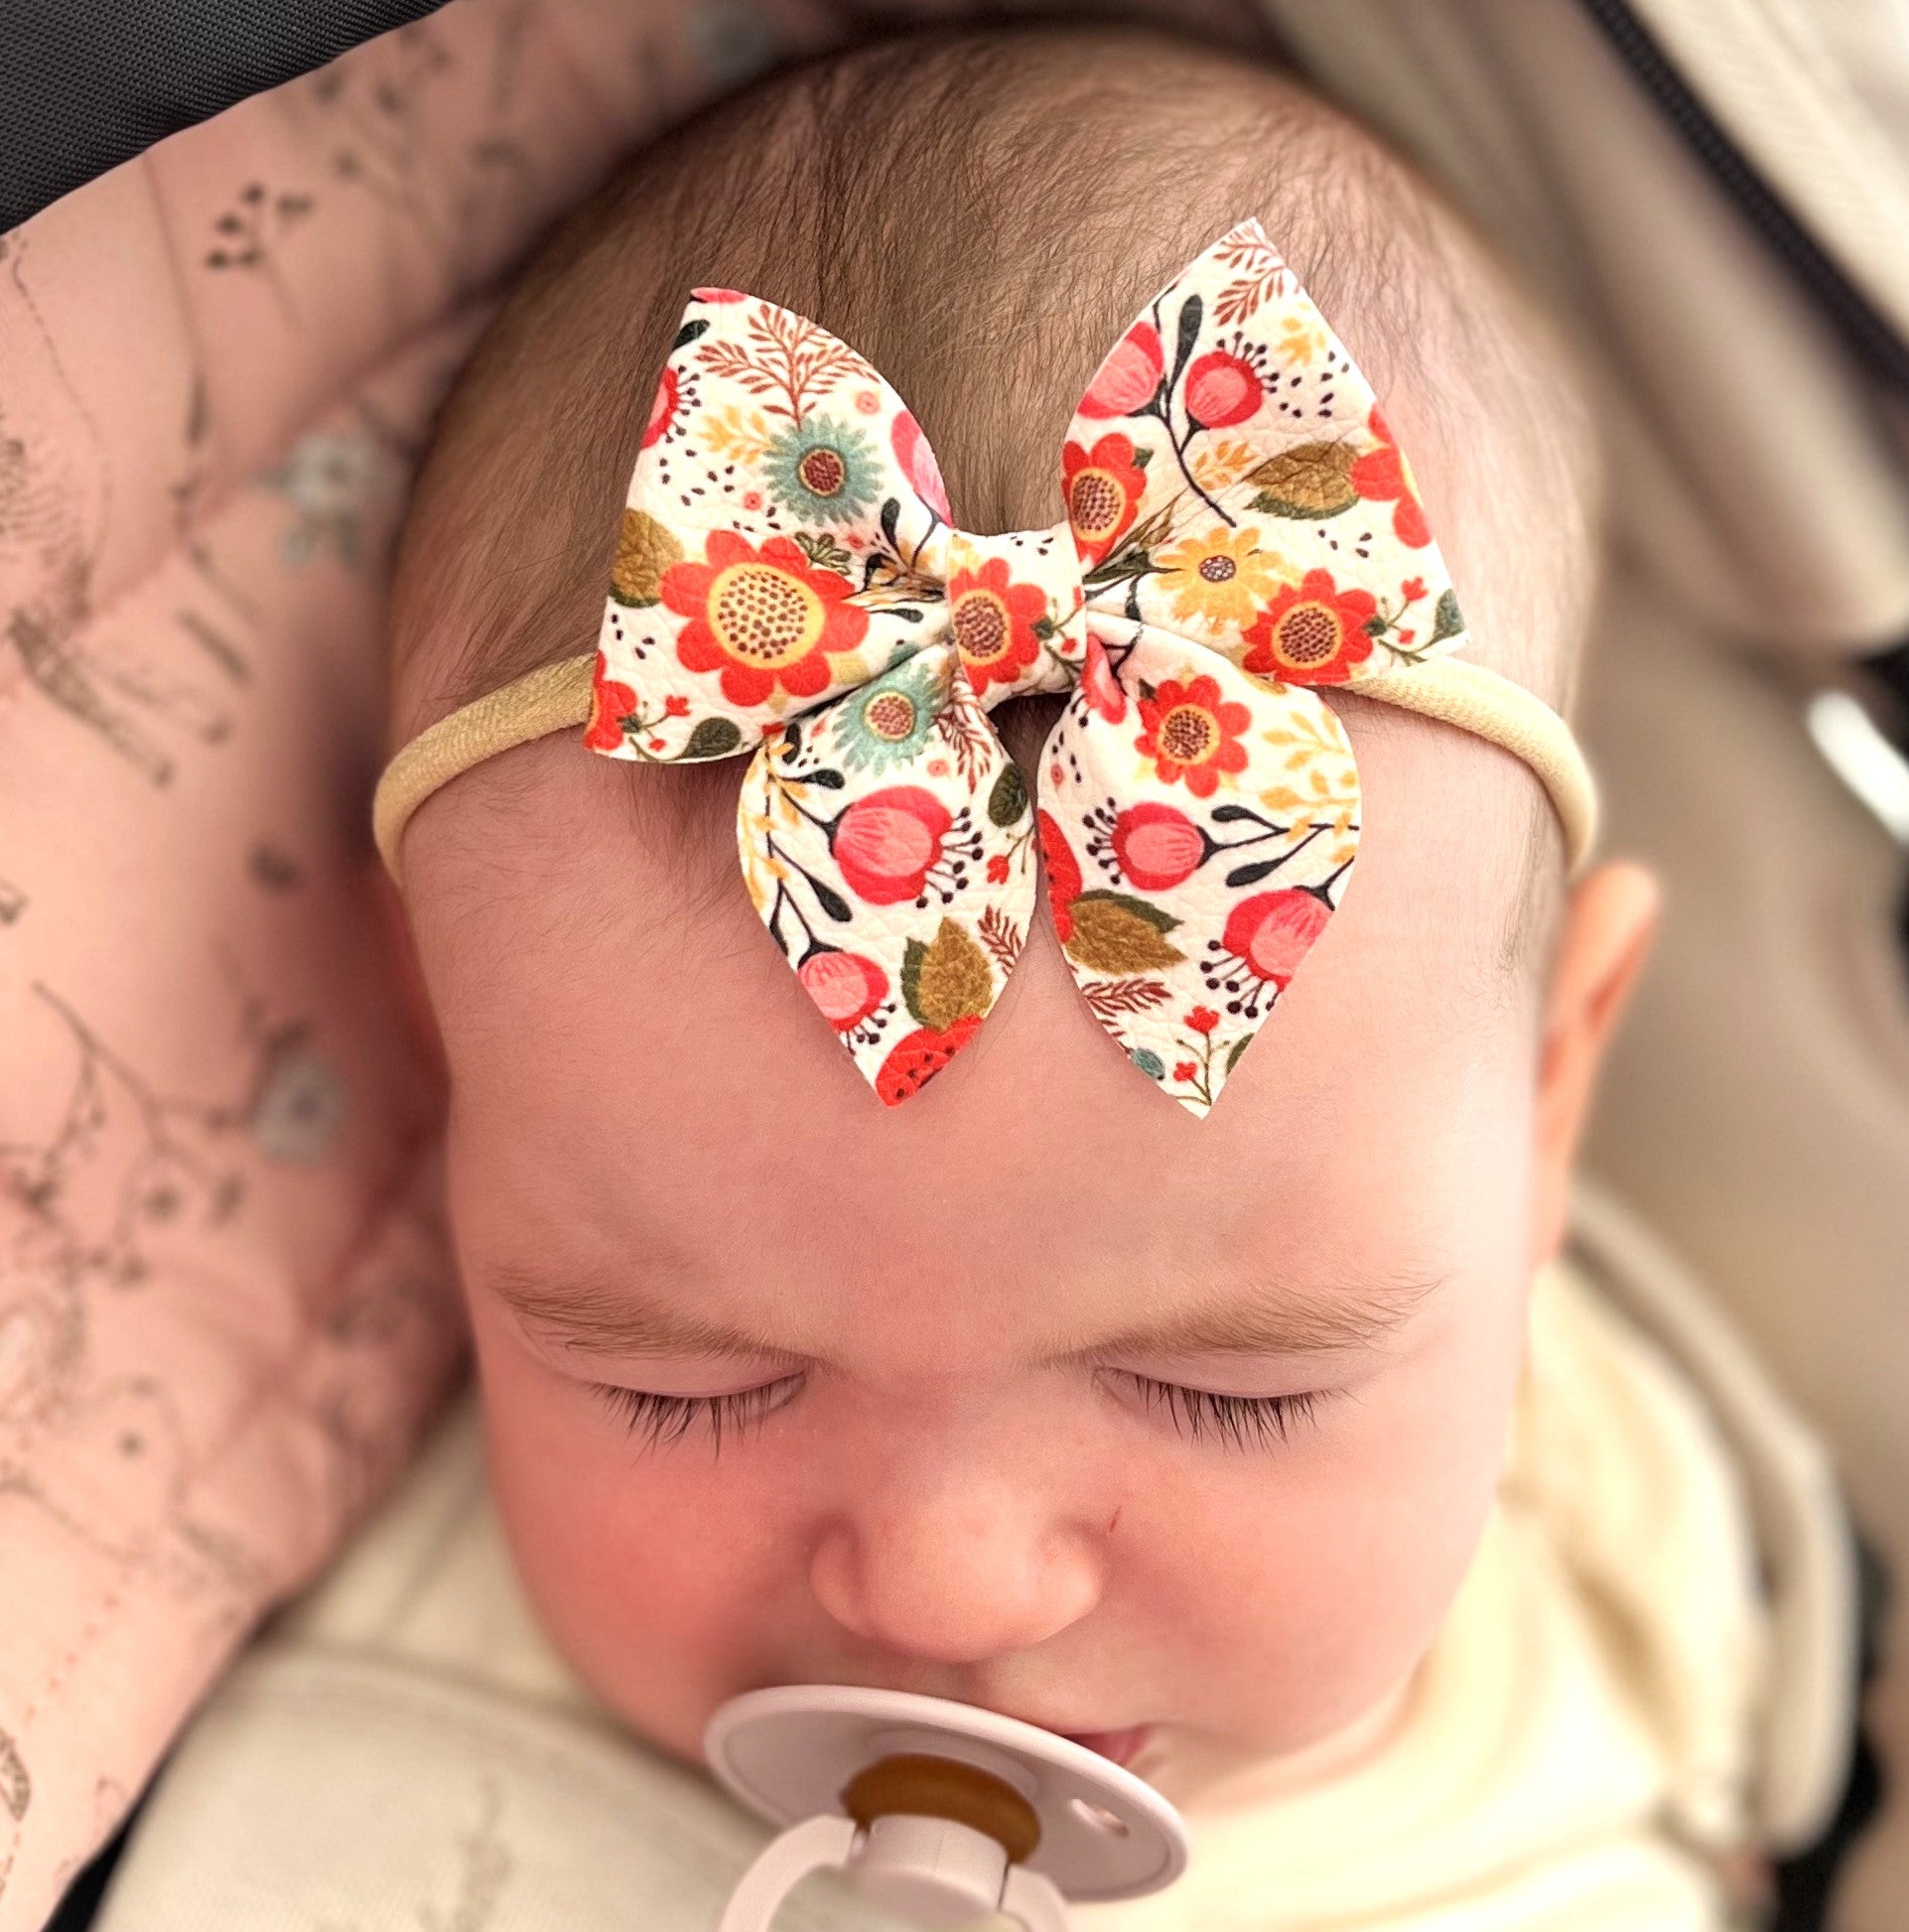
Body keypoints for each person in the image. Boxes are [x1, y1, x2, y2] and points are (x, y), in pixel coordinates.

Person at [346, 21, 1808, 1925]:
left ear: (1551, 1104)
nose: (952, 1589)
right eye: (689, 1381)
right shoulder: (375, 1704)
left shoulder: (1644, 1543)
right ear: (443, 1053)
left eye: (1227, 1391)